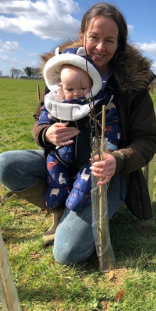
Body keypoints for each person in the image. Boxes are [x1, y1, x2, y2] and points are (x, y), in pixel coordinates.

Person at [0, 2, 156, 265]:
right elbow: (40, 120)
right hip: (62, 161)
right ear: (82, 35)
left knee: (66, 254)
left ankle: (95, 209)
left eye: (110, 40)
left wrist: (118, 161)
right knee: (5, 165)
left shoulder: (132, 85)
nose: (100, 47)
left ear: (120, 44)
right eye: (94, 37)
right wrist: (47, 134)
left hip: (106, 174)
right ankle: (61, 206)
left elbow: (148, 140)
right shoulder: (63, 70)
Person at [39, 48, 120, 213]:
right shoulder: (55, 102)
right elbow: (42, 120)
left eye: (83, 89)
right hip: (60, 155)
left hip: (89, 159)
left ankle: (77, 199)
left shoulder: (101, 103)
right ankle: (58, 190)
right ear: (61, 87)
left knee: (87, 179)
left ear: (92, 84)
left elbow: (112, 125)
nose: (77, 94)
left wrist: (110, 148)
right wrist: (46, 132)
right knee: (52, 167)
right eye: (70, 90)